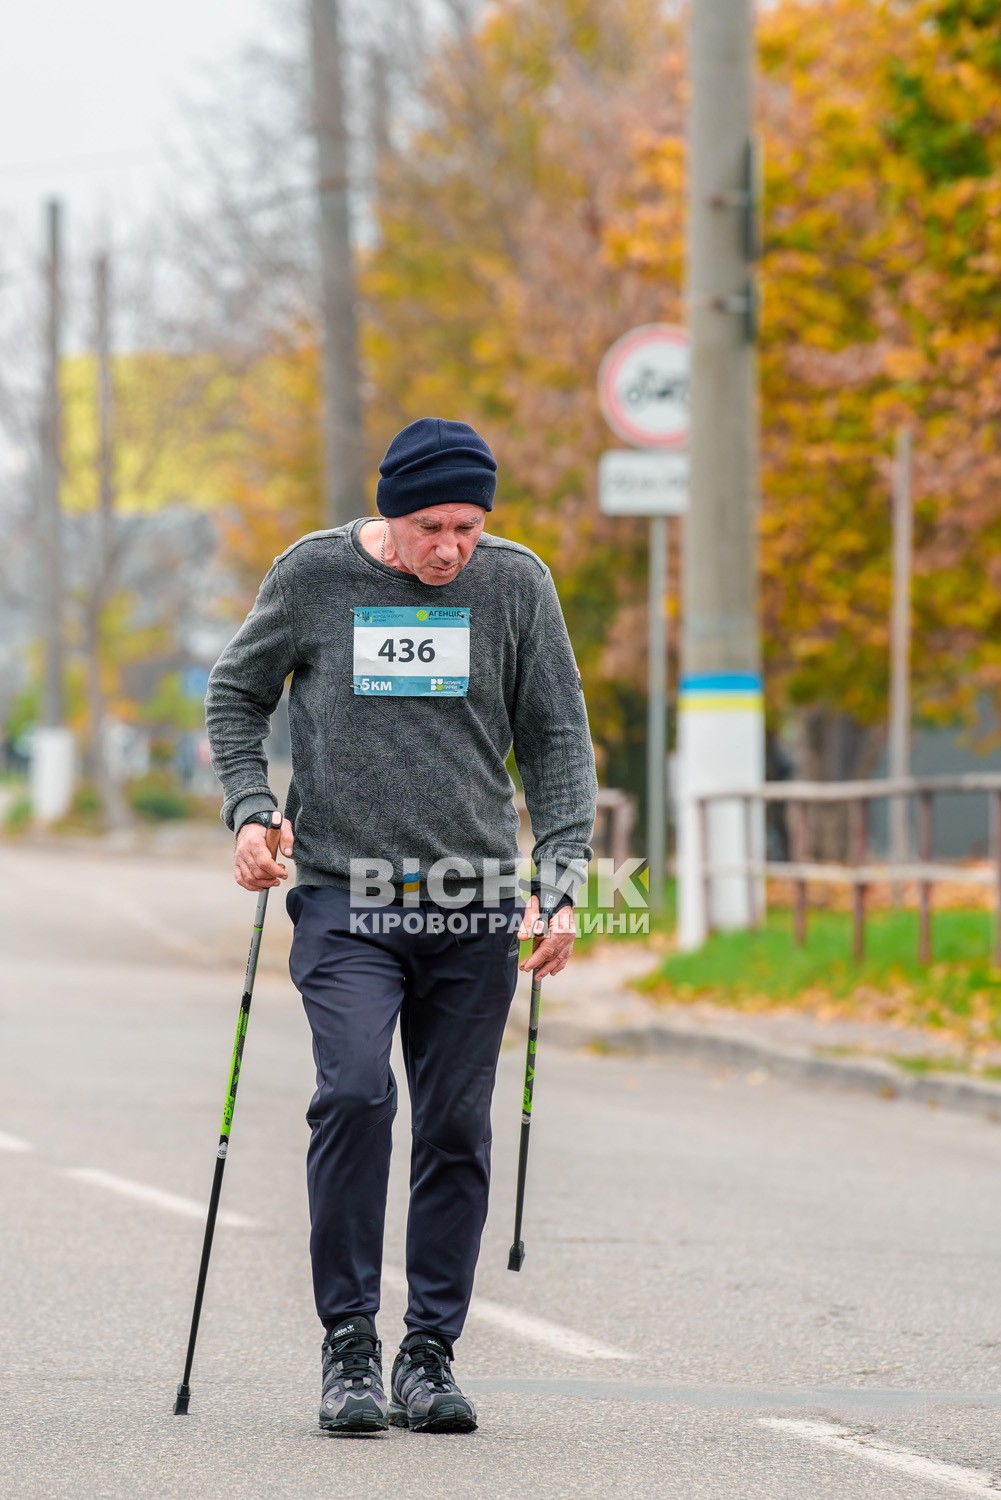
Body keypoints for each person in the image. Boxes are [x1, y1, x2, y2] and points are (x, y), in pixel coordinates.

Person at [205, 416, 597, 1435]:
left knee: (458, 1127)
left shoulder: (516, 586)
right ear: (390, 515)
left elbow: (557, 740)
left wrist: (561, 880)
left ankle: (427, 1354)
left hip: (471, 901)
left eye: (468, 528)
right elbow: (235, 695)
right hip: (344, 893)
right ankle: (347, 1347)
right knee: (351, 1093)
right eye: (431, 527)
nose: (450, 550)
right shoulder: (313, 577)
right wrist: (251, 811)